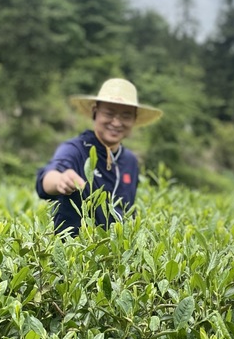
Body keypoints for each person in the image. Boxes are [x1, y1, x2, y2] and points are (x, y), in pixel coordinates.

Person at [36, 78, 162, 234]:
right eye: (109, 113)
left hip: (116, 253)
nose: (116, 123)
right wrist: (60, 181)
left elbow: (127, 210)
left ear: (134, 120)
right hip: (75, 252)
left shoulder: (130, 160)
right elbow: (47, 178)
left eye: (126, 116)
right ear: (95, 112)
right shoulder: (76, 149)